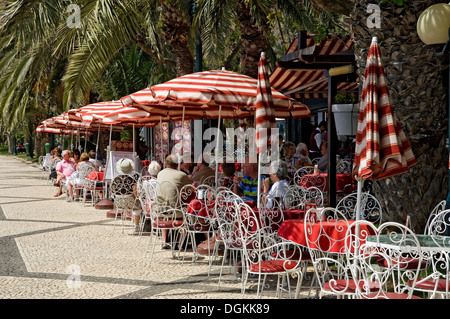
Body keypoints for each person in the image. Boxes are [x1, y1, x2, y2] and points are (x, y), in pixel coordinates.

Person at [156, 154, 192, 248]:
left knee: (165, 208)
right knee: (188, 213)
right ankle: (180, 243)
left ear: (166, 163)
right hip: (176, 212)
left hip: (160, 210)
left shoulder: (160, 173)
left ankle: (164, 241)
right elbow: (191, 189)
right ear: (178, 164)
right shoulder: (181, 175)